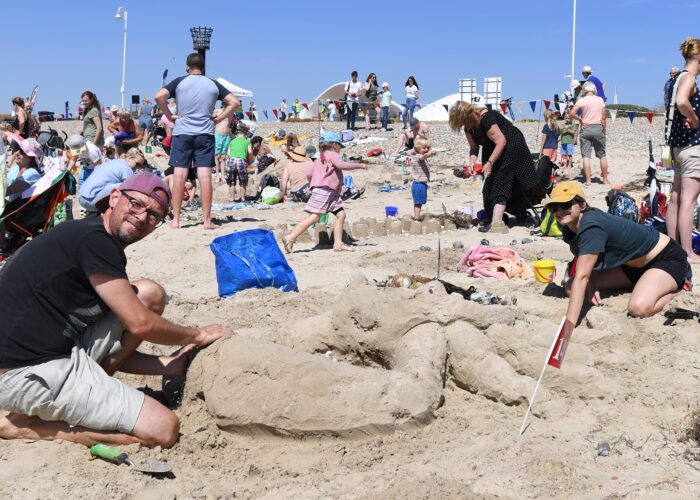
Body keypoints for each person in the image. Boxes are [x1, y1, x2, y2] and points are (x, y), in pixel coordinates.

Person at [0, 172, 231, 448]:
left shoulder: (90, 231)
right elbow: (141, 325)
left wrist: (170, 364)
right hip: (23, 374)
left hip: (50, 351)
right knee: (164, 429)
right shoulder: (95, 242)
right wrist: (197, 335)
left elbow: (120, 340)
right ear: (114, 198)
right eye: (136, 204)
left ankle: (94, 393)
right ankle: (27, 427)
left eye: (154, 216)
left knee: (148, 295)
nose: (142, 217)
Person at [548, 181, 690, 344]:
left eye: (565, 204)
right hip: (632, 266)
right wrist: (592, 282)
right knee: (570, 286)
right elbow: (586, 264)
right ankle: (645, 285)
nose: (559, 211)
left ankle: (679, 290)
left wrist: (567, 329)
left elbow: (582, 276)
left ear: (582, 204)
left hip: (666, 258)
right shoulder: (571, 226)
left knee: (638, 308)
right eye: (554, 207)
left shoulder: (590, 226)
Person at [155, 52, 239, 229]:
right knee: (205, 175)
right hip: (205, 132)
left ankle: (176, 220)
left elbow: (159, 96)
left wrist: (169, 115)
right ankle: (207, 221)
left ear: (187, 67)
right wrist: (218, 118)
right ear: (203, 68)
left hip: (182, 132)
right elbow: (234, 102)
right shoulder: (213, 84)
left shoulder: (180, 82)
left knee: (179, 174)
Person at [449, 101, 539, 234]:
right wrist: (472, 163)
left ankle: (497, 223)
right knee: (488, 184)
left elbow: (501, 141)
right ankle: (495, 215)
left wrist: (490, 162)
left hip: (511, 146)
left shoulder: (487, 119)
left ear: (468, 115)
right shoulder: (468, 128)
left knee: (500, 181)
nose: (465, 126)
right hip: (491, 147)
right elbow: (474, 148)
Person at [283, 132, 366, 253]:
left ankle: (338, 244)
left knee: (340, 215)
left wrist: (314, 184)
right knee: (314, 217)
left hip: (330, 193)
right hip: (326, 191)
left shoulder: (319, 159)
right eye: (339, 146)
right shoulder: (332, 154)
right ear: (334, 145)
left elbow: (309, 174)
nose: (339, 150)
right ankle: (290, 237)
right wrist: (360, 165)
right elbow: (340, 164)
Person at [665, 37, 700, 265]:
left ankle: (672, 246)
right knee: (689, 199)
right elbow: (681, 101)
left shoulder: (673, 79)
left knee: (676, 198)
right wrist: (695, 119)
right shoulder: (689, 78)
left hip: (676, 147)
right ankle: (687, 252)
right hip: (691, 147)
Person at [568, 81, 610, 186]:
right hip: (598, 127)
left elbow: (571, 113)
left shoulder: (582, 100)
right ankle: (604, 180)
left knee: (586, 156)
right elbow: (603, 118)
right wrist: (604, 131)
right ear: (594, 89)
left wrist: (581, 120)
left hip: (586, 128)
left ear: (584, 90)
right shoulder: (600, 100)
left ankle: (588, 181)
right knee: (602, 155)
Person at [78, 148, 145, 212]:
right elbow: (130, 189)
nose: (138, 168)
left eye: (141, 166)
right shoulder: (127, 169)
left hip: (81, 196)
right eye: (137, 164)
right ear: (130, 158)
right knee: (125, 187)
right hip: (89, 201)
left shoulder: (117, 161)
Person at [410, 137, 437, 221]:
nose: (426, 149)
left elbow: (423, 153)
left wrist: (429, 150)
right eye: (424, 148)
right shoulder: (419, 157)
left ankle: (416, 217)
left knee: (419, 202)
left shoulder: (417, 154)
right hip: (419, 184)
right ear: (418, 148)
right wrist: (431, 154)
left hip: (420, 183)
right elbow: (424, 156)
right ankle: (416, 218)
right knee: (418, 203)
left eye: (427, 148)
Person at [226, 122, 253, 202]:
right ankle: (242, 198)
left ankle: (231, 198)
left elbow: (228, 154)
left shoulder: (232, 141)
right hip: (241, 160)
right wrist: (250, 161)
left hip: (231, 160)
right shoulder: (247, 141)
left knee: (231, 181)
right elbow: (250, 152)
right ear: (244, 135)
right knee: (243, 181)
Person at [212, 107, 232, 183]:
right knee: (217, 156)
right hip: (218, 134)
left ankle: (223, 176)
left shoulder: (231, 112)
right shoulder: (217, 111)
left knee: (223, 157)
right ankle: (217, 176)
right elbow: (210, 118)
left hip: (226, 135)